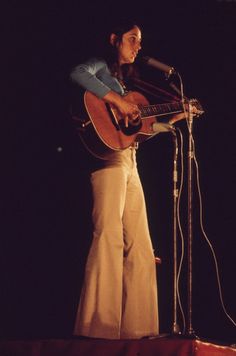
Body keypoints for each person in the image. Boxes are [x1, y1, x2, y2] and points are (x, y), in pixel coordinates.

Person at [70, 19, 160, 340]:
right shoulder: (101, 67)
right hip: (106, 160)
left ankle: (140, 330)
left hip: (128, 157)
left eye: (140, 40)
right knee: (108, 234)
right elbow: (79, 73)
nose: (138, 45)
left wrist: (174, 116)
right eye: (132, 38)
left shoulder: (128, 82)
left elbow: (136, 128)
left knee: (140, 242)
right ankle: (99, 329)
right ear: (114, 39)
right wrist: (118, 101)